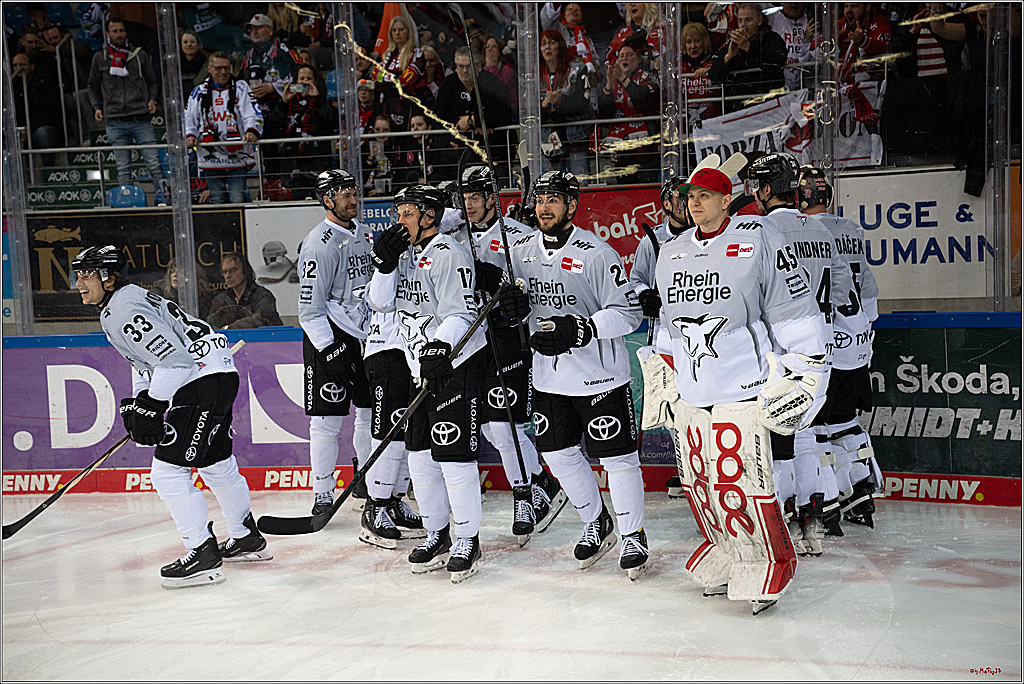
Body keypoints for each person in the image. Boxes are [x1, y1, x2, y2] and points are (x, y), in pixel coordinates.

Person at [652, 164, 828, 612]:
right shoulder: (671, 251)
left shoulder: (756, 240)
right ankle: (726, 551)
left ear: (725, 199)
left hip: (742, 387)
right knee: (699, 481)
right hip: (693, 391)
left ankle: (767, 560)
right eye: (690, 196)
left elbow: (790, 305)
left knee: (741, 481)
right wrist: (664, 373)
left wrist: (806, 367)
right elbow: (669, 322)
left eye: (705, 196)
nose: (695, 203)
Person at [70, 245, 271, 589]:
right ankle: (245, 537)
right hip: (218, 373)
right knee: (216, 463)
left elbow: (175, 361)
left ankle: (202, 554)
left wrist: (151, 404)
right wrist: (140, 403)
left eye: (86, 275)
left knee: (166, 472)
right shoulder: (126, 300)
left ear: (108, 277)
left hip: (200, 380)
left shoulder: (123, 308)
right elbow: (146, 361)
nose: (78, 283)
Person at [503, 170, 649, 580]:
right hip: (549, 377)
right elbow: (520, 305)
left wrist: (583, 327)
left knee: (618, 459)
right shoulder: (523, 251)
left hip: (600, 377)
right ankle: (595, 521)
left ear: (572, 205)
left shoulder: (596, 253)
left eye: (553, 199)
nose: (544, 206)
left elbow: (628, 313)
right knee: (556, 454)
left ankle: (632, 532)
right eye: (539, 198)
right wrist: (514, 310)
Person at [366, 185, 490, 582]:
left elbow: (461, 312)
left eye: (406, 213)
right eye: (398, 212)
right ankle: (437, 532)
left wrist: (440, 348)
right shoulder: (402, 256)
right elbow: (380, 303)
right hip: (419, 365)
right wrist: (384, 266)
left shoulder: (448, 254)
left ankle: (468, 539)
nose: (398, 221)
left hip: (454, 364)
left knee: (454, 458)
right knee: (418, 455)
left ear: (429, 216)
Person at [744, 152, 853, 557]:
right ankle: (812, 517)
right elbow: (841, 290)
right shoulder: (824, 230)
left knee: (780, 440)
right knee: (805, 433)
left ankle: (787, 519)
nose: (752, 195)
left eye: (756, 187)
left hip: (781, 348)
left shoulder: (761, 228)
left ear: (767, 189)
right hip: (822, 346)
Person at [456, 165, 568, 542]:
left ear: (492, 197)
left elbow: (532, 286)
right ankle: (540, 481)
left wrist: (500, 282)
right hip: (471, 339)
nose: (469, 205)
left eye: (475, 196)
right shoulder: (456, 236)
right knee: (491, 426)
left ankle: (524, 495)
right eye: (465, 198)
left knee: (504, 425)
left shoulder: (519, 236)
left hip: (507, 337)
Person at [798, 166, 882, 530]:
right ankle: (861, 491)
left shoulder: (803, 232)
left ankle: (827, 502)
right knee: (847, 421)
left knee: (815, 427)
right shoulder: (851, 230)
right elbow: (868, 291)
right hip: (858, 338)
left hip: (824, 341)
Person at [296, 170, 375, 519]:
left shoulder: (361, 232)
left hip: (363, 334)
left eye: (353, 191)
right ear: (326, 199)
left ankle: (368, 478)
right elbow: (309, 311)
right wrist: (330, 349)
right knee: (326, 421)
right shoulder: (318, 244)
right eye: (343, 193)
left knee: (368, 410)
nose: (352, 198)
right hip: (328, 337)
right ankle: (323, 491)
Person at [87, 18, 168, 202]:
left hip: (141, 117)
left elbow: (152, 81)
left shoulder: (139, 55)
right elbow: (92, 86)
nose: (119, 34)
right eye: (114, 31)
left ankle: (164, 200)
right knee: (123, 167)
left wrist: (152, 99)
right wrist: (96, 107)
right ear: (108, 34)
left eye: (121, 30)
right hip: (115, 120)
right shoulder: (100, 58)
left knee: (153, 163)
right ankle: (129, 203)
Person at [184, 51, 263, 204]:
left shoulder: (241, 87)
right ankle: (221, 229)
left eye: (226, 68)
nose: (223, 72)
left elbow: (252, 114)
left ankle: (238, 228)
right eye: (218, 68)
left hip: (238, 157)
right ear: (209, 69)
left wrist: (251, 131)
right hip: (210, 157)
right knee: (217, 198)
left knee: (237, 198)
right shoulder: (199, 91)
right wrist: (190, 135)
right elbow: (189, 119)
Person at [435, 46, 515, 168]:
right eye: (460, 66)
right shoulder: (448, 85)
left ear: (478, 66)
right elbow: (441, 117)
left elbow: (504, 114)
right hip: (459, 150)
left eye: (469, 66)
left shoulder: (492, 83)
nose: (464, 70)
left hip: (492, 150)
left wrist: (473, 121)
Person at [596, 34, 660, 184]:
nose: (624, 58)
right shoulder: (614, 81)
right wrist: (608, 86)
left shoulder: (647, 77)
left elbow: (642, 98)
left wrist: (624, 80)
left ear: (638, 60)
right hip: (622, 148)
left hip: (645, 148)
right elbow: (603, 110)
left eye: (629, 55)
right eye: (621, 56)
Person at [707, 3, 787, 103]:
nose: (743, 25)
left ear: (759, 20)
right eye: (740, 20)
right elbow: (714, 78)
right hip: (738, 106)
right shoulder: (733, 43)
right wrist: (728, 57)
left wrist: (748, 48)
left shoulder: (772, 39)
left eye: (748, 20)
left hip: (767, 103)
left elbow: (773, 66)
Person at [539, 30, 593, 179]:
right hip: (549, 141)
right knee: (551, 187)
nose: (547, 47)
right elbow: (526, 111)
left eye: (552, 43)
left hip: (575, 137)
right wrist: (544, 104)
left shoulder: (577, 69)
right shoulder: (534, 76)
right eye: (544, 44)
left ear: (560, 46)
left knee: (580, 186)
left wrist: (561, 100)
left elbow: (582, 102)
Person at [239, 13, 300, 138]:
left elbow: (302, 84)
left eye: (259, 28)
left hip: (283, 108)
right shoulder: (248, 54)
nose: (254, 32)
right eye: (251, 29)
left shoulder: (285, 50)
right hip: (255, 110)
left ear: (271, 30)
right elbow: (240, 82)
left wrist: (274, 87)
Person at [270, 64, 335, 176]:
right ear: (296, 81)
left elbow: (332, 122)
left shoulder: (322, 101)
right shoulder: (289, 103)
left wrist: (318, 100)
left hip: (317, 158)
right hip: (292, 160)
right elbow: (274, 125)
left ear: (315, 81)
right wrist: (283, 102)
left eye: (309, 79)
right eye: (302, 78)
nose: (305, 82)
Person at [374, 14, 427, 131]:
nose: (397, 33)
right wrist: (391, 80)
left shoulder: (417, 54)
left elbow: (404, 81)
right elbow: (376, 78)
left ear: (408, 32)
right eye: (394, 30)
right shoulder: (386, 55)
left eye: (401, 30)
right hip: (387, 105)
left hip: (409, 105)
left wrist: (388, 80)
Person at [207, 252, 283, 329]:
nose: (228, 276)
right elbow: (210, 325)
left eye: (233, 270)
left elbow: (261, 320)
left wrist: (228, 328)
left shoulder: (263, 295)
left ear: (245, 271)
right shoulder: (220, 301)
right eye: (224, 272)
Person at [11, 52, 64, 164]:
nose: (18, 69)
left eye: (22, 65)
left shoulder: (45, 83)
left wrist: (28, 128)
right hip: (21, 131)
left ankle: (49, 172)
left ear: (32, 66)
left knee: (43, 134)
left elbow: (51, 114)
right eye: (15, 65)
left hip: (40, 128)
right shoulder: (11, 88)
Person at [766, 3, 818, 91]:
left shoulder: (812, 20)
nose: (794, 3)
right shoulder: (775, 17)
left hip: (808, 83)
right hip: (781, 86)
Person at [679, 22, 721, 129]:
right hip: (685, 127)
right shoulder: (678, 64)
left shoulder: (715, 60)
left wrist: (711, 71)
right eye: (688, 42)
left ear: (705, 41)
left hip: (713, 124)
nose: (693, 46)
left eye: (697, 41)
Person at [605, 3, 664, 73]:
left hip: (656, 81)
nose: (632, 4)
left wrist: (650, 64)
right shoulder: (622, 34)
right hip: (626, 82)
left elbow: (672, 59)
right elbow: (609, 60)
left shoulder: (662, 31)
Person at [483, 35, 517, 110]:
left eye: (493, 46)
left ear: (499, 51)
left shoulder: (507, 69)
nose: (490, 49)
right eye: (487, 47)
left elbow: (500, 90)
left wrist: (493, 67)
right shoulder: (482, 69)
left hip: (509, 107)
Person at [179, 30, 210, 99]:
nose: (189, 45)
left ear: (198, 44)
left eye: (192, 42)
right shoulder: (175, 64)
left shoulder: (207, 63)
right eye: (185, 42)